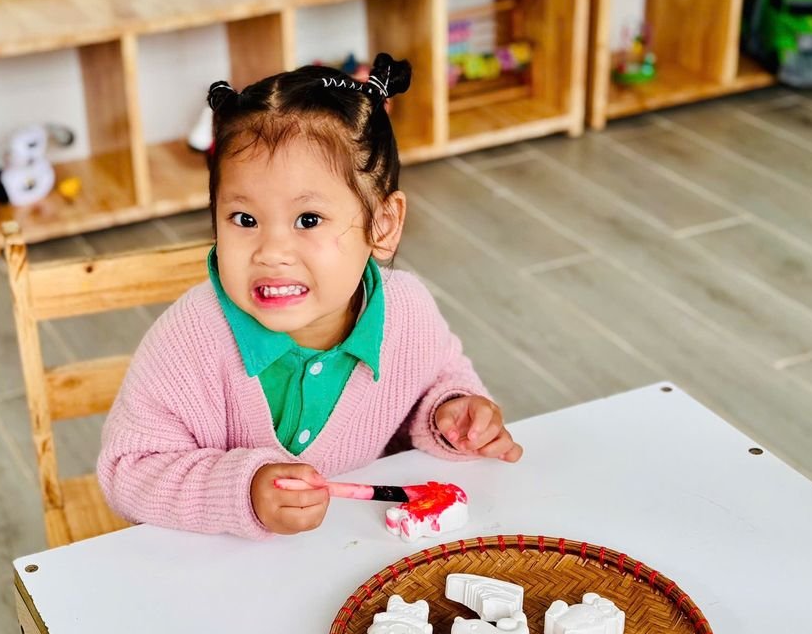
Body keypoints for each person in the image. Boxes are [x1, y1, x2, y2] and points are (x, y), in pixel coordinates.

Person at [98, 53, 520, 540]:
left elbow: (438, 382)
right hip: (221, 569)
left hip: (358, 553)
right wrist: (243, 492)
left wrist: (452, 413)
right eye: (244, 220)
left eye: (308, 220)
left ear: (383, 226)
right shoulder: (190, 338)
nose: (271, 252)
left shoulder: (407, 313)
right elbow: (129, 471)